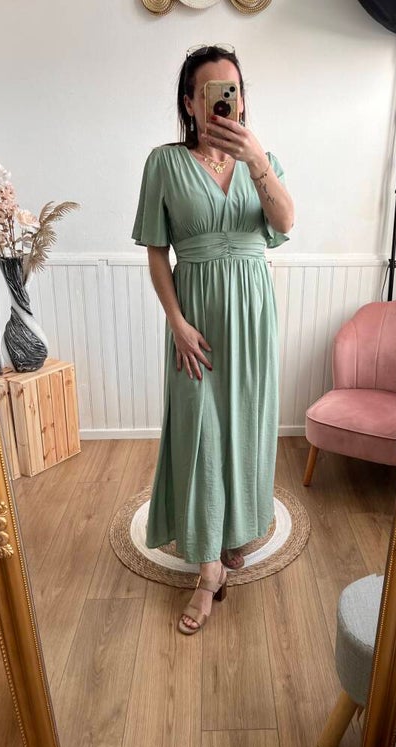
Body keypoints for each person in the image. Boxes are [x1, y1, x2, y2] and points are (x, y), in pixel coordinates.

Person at [131, 44, 294, 634]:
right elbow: (157, 251)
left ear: (242, 99)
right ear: (190, 102)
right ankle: (207, 571)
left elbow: (285, 223)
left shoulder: (262, 159)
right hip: (195, 321)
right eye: (211, 90)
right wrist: (175, 322)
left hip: (252, 319)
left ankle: (235, 532)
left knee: (246, 425)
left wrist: (256, 160)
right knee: (199, 433)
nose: (226, 100)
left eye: (234, 89)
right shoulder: (164, 162)